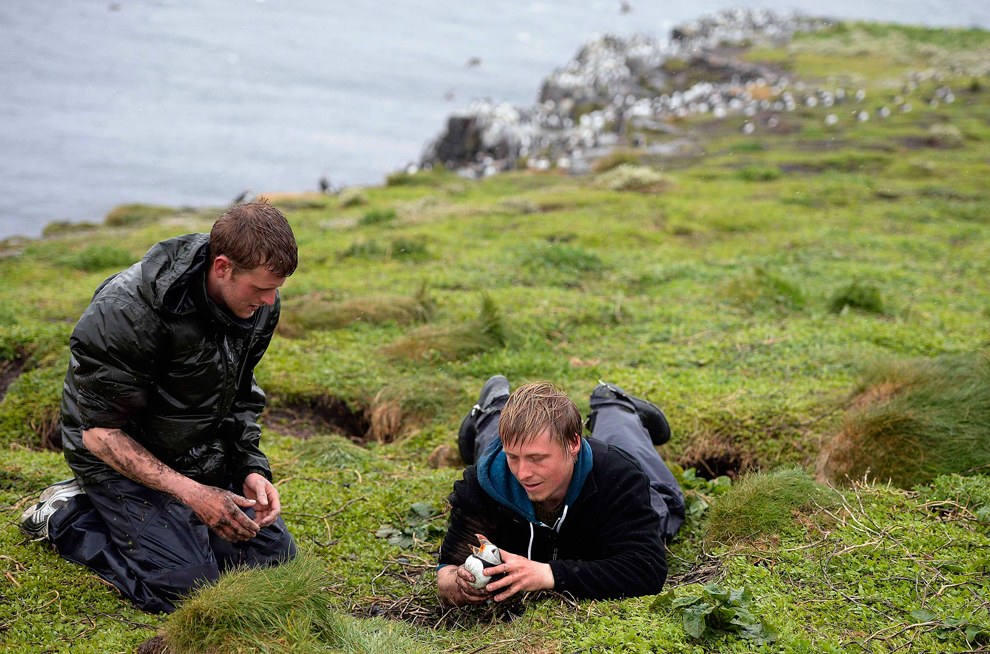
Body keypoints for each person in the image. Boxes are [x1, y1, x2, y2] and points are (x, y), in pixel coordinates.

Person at [19, 202, 299, 613]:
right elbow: (98, 435)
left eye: (277, 288)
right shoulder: (129, 309)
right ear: (222, 267)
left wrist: (250, 469)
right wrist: (193, 495)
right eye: (261, 288)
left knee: (277, 566)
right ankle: (67, 516)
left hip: (194, 448)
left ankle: (178, 525)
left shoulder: (258, 307)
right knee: (187, 591)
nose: (271, 300)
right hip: (116, 455)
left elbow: (238, 395)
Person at [437, 377, 685, 605]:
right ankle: (494, 406)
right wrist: (460, 585)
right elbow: (447, 569)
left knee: (665, 502)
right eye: (513, 457)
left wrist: (548, 574)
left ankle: (612, 404)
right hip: (510, 450)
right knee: (494, 458)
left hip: (605, 469)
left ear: (573, 443)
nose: (523, 473)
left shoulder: (618, 477)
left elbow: (646, 569)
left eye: (537, 458)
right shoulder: (484, 483)